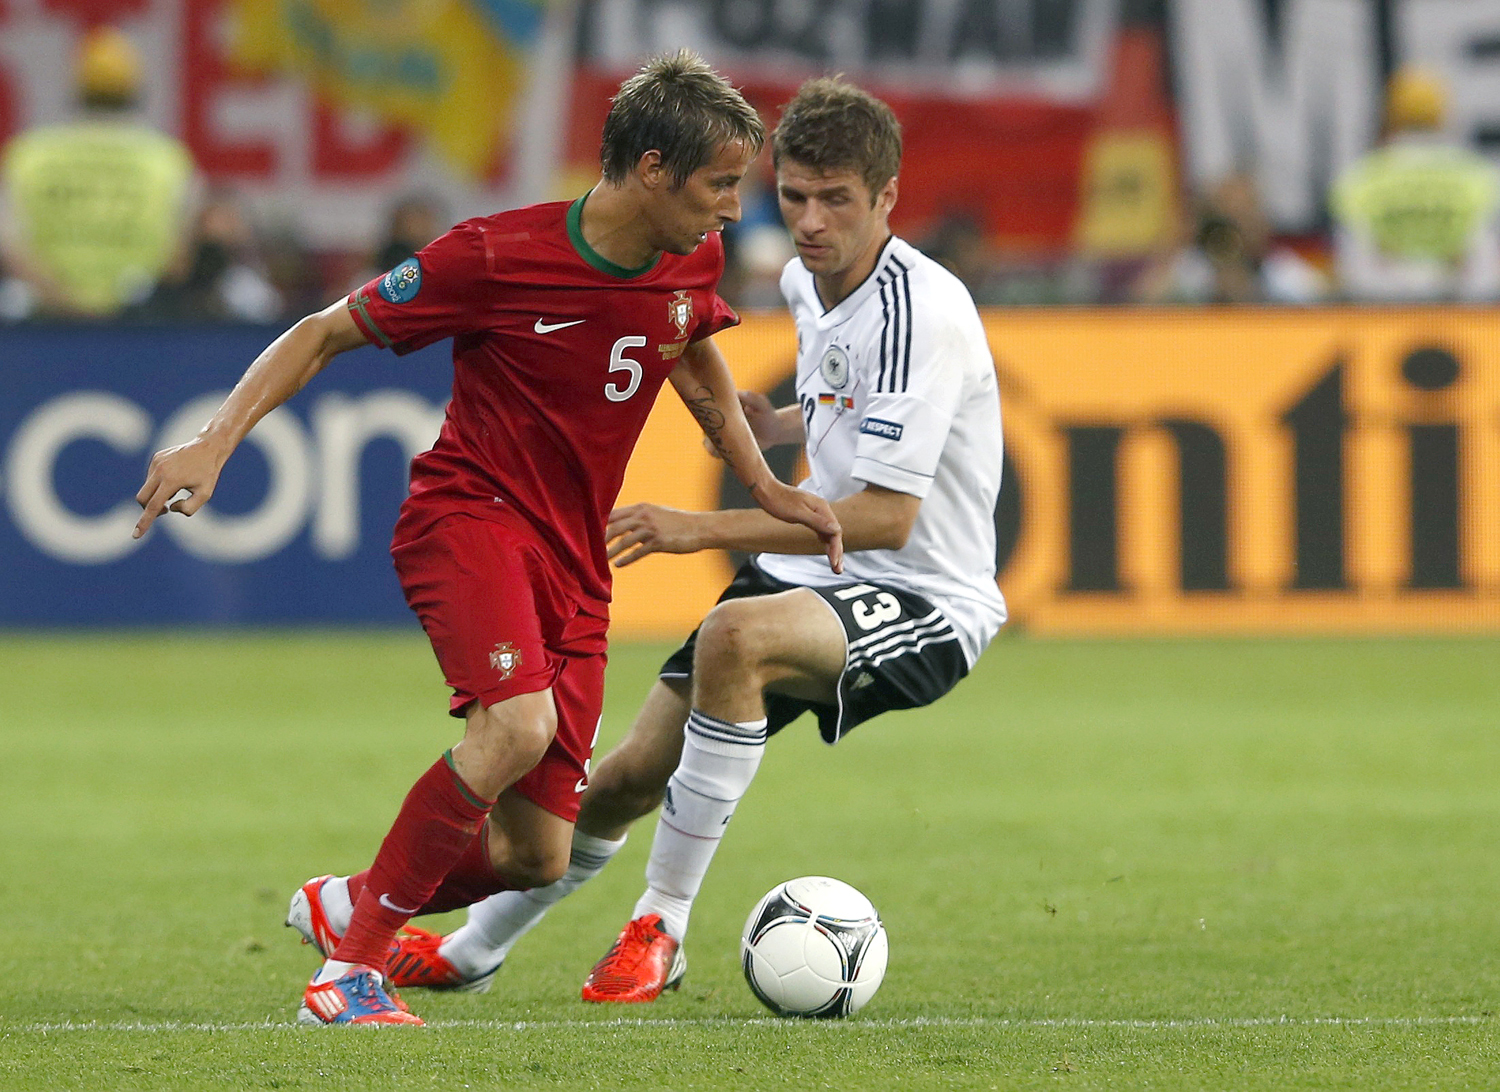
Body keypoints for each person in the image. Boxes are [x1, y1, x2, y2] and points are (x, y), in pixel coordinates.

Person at [132, 50, 841, 1027]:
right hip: (469, 520)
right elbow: (321, 331)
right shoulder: (494, 255)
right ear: (649, 168)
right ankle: (347, 974)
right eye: (720, 184)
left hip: (572, 558)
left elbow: (688, 344)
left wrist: (765, 480)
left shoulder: (693, 257)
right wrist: (216, 441)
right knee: (516, 727)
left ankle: (352, 903)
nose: (732, 209)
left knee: (535, 855)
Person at [317, 75, 1007, 1004]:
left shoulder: (922, 313)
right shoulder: (812, 277)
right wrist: (787, 425)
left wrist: (696, 527)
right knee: (620, 780)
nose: (807, 222)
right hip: (816, 571)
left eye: (835, 201)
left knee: (736, 637)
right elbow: (861, 400)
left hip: (925, 593)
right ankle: (470, 950)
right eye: (791, 195)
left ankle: (660, 925)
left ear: (886, 197)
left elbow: (888, 516)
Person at [0, 26, 197, 318]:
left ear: (75, 90)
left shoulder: (29, 155)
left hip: (44, 325)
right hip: (136, 325)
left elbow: (10, 246)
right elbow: (178, 258)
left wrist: (63, 299)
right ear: (136, 91)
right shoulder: (167, 160)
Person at [1331, 66, 1500, 303]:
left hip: (1384, 319)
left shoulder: (1359, 179)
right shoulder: (1478, 177)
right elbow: (1483, 274)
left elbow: (1356, 274)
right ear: (1444, 114)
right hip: (1460, 318)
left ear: (1389, 114)